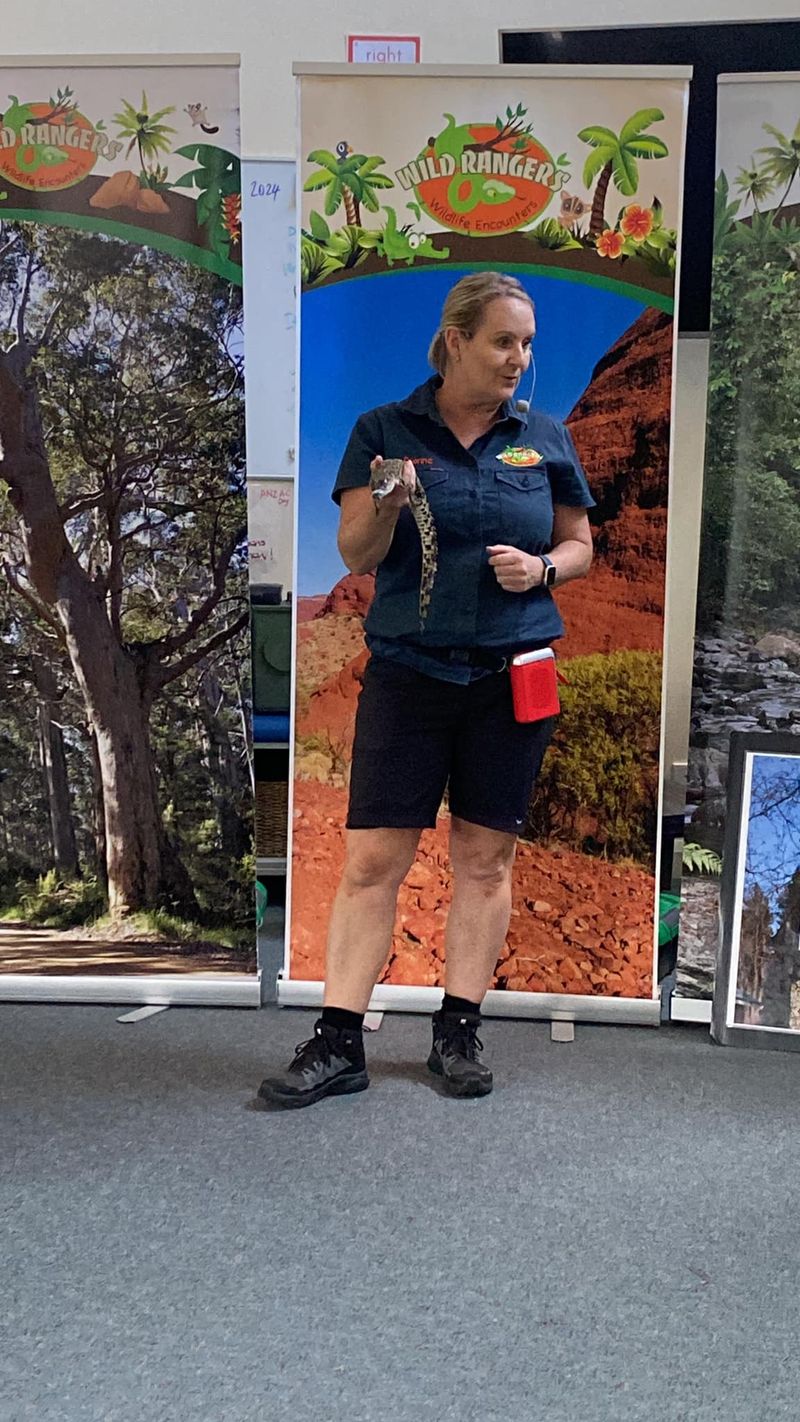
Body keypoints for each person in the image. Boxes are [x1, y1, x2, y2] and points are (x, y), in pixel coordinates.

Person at [259, 271, 594, 1109]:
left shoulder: (544, 438)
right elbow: (356, 554)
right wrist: (388, 497)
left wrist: (545, 569)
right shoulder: (384, 431)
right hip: (410, 675)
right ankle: (339, 1041)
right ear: (455, 341)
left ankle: (457, 1033)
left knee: (485, 861)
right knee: (375, 860)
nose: (519, 358)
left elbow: (580, 543)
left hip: (512, 678)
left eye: (527, 344)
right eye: (503, 341)